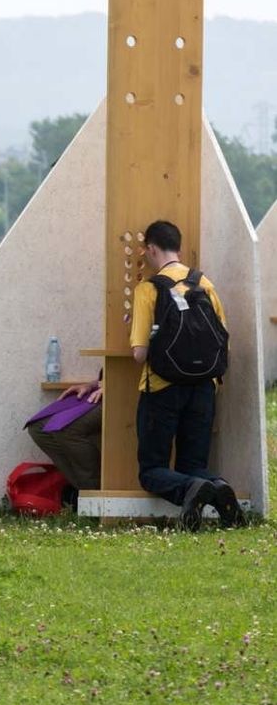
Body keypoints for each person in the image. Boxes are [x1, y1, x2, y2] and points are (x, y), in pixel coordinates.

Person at [131, 220, 244, 530]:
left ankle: (190, 489)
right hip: (204, 389)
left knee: (151, 469)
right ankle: (219, 487)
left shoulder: (148, 289)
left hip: (162, 388)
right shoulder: (205, 284)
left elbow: (139, 353)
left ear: (151, 249)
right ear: (178, 248)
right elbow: (224, 341)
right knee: (194, 464)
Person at [24, 377, 103, 507]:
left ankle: (95, 498)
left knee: (65, 428)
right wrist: (91, 384)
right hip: (102, 391)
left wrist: (110, 387)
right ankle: (83, 491)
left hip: (125, 395)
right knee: (38, 428)